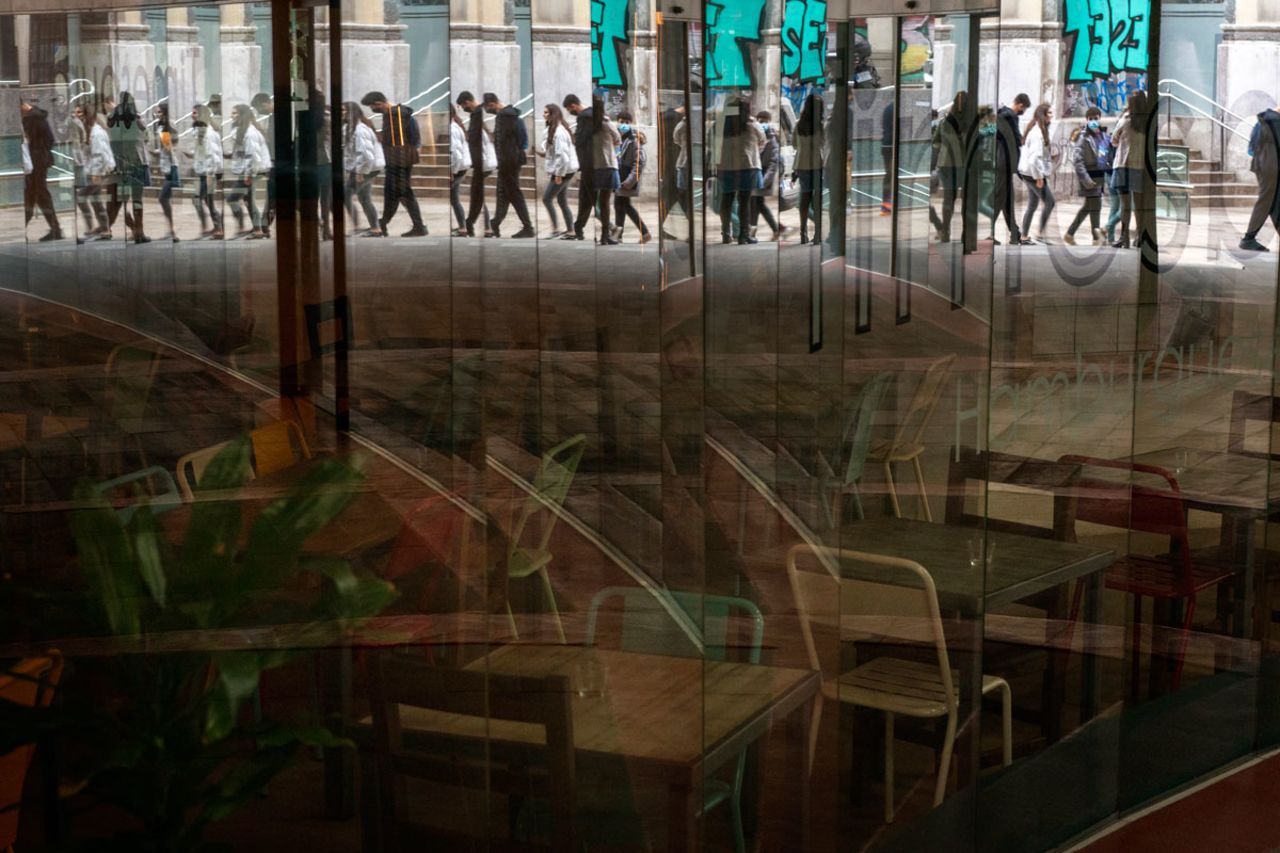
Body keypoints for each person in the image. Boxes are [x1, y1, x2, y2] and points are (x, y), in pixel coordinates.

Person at [361, 90, 426, 237]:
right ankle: (383, 224)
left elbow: (393, 140)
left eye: (372, 107)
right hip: (401, 159)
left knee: (402, 193)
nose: (373, 110)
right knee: (393, 193)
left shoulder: (394, 115)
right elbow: (415, 135)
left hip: (397, 160)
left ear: (379, 103)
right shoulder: (401, 113)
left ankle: (418, 226)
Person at [483, 92, 534, 239]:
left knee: (513, 194)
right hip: (513, 160)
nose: (489, 111)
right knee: (504, 193)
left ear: (492, 104)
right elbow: (523, 139)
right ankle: (495, 224)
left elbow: (503, 141)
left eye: (488, 108)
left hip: (507, 162)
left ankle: (528, 227)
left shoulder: (503, 117)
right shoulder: (515, 116)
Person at [718, 95, 765, 245]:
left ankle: (725, 234)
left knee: (727, 200)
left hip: (726, 166)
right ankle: (743, 236)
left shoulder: (720, 125)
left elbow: (711, 142)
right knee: (744, 202)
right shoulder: (753, 125)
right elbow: (762, 141)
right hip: (748, 166)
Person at [107, 92, 150, 243]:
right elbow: (146, 137)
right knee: (137, 200)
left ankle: (131, 228)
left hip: (121, 165)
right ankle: (139, 231)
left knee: (122, 201)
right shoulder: (139, 120)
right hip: (138, 163)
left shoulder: (112, 121)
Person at [20, 96, 63, 241]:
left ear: (23, 107)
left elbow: (45, 140)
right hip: (39, 162)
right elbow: (50, 140)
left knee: (36, 195)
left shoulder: (32, 120)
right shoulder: (38, 117)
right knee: (34, 196)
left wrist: (37, 152)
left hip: (35, 163)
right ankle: (55, 229)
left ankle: (55, 229)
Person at [226, 103, 272, 239]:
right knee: (248, 199)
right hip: (252, 169)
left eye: (234, 113)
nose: (231, 116)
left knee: (232, 199)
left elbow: (253, 155)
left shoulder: (250, 132)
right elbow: (244, 152)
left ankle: (246, 228)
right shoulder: (242, 130)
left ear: (242, 115)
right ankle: (258, 230)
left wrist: (248, 174)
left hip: (254, 170)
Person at [1063, 107, 1107, 245]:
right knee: (1093, 206)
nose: (1094, 121)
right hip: (1089, 177)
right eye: (1091, 119)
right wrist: (1087, 180)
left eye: (1096, 118)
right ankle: (1093, 238)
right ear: (1087, 120)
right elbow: (1078, 162)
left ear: (1100, 118)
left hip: (1098, 176)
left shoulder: (1101, 135)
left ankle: (1072, 234)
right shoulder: (1083, 138)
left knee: (1091, 206)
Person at [1240, 102, 1280, 251]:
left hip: (1262, 165)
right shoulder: (1276, 122)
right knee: (1267, 201)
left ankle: (1249, 238)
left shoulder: (1261, 120)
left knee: (1275, 202)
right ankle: (1248, 238)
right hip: (1272, 168)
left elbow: (1251, 148)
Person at [931, 91, 969, 243]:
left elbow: (936, 143)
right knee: (968, 200)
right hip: (964, 165)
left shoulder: (945, 121)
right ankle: (966, 234)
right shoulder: (971, 122)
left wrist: (935, 162)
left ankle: (945, 232)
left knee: (949, 199)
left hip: (947, 164)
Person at [342, 101, 384, 237]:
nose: (341, 113)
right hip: (367, 168)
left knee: (345, 194)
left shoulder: (360, 130)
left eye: (344, 111)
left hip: (366, 168)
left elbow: (366, 154)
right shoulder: (351, 127)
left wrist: (360, 172)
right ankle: (375, 229)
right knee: (365, 198)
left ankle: (358, 226)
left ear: (351, 113)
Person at [74, 102, 113, 242]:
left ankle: (94, 228)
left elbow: (100, 154)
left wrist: (96, 174)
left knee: (81, 196)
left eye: (80, 113)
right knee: (97, 202)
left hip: (98, 172)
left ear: (87, 115)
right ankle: (105, 230)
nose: (78, 116)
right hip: (95, 171)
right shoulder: (92, 131)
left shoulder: (96, 133)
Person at [1017, 102, 1055, 243]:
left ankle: (1024, 236)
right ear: (1043, 115)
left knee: (1032, 204)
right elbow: (1034, 159)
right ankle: (1039, 234)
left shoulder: (1037, 129)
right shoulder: (1037, 133)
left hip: (1028, 173)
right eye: (1049, 113)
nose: (1052, 115)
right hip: (1033, 174)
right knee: (1050, 202)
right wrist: (1039, 177)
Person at [459, 91, 495, 237]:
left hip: (482, 162)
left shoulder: (478, 112)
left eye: (463, 105)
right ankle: (479, 226)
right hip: (481, 162)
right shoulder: (477, 114)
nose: (463, 109)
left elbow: (476, 139)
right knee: (477, 196)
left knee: (477, 196)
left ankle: (472, 224)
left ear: (468, 102)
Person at [995, 93, 1030, 243]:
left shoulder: (1001, 114)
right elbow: (1017, 138)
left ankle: (1014, 233)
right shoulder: (1011, 116)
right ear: (1020, 105)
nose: (1023, 112)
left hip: (1000, 160)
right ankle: (989, 233)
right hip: (1006, 162)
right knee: (998, 197)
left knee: (1008, 199)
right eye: (1024, 109)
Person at [539, 103, 577, 237]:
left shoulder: (559, 132)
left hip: (563, 171)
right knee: (562, 201)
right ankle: (571, 231)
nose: (543, 115)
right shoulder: (554, 129)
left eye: (546, 112)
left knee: (546, 198)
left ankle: (556, 230)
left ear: (553, 114)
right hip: (564, 170)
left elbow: (563, 157)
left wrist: (559, 175)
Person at [612, 110, 650, 243]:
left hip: (626, 179)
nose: (623, 125)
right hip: (620, 178)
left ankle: (642, 233)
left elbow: (639, 163)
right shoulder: (619, 137)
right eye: (621, 122)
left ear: (631, 123)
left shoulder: (633, 140)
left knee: (622, 205)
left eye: (626, 122)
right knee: (621, 205)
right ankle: (621, 235)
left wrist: (629, 181)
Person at [562, 93, 595, 241]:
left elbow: (581, 140)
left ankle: (610, 227)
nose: (570, 112)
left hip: (588, 163)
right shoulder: (591, 114)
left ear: (573, 106)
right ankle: (578, 228)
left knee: (588, 197)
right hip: (592, 163)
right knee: (588, 197)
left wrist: (570, 134)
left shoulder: (584, 117)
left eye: (569, 109)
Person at [590, 97, 623, 245]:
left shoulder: (588, 125)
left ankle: (602, 233)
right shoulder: (606, 123)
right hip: (609, 165)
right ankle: (605, 235)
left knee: (594, 202)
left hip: (595, 167)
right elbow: (618, 140)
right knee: (605, 203)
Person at [793, 93, 825, 244]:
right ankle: (818, 234)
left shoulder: (799, 124)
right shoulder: (820, 125)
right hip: (817, 163)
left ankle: (802, 233)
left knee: (804, 199)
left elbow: (794, 144)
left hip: (802, 164)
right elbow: (824, 143)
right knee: (817, 200)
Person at [189, 103, 224, 239]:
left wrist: (210, 174)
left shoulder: (209, 133)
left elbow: (212, 154)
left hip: (209, 173)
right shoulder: (200, 131)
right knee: (207, 200)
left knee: (201, 199)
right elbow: (203, 151)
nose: (192, 115)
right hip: (205, 172)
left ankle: (217, 228)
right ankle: (215, 228)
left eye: (195, 113)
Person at [149, 104, 181, 241]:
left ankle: (173, 231)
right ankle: (171, 230)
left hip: (171, 166)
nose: (157, 114)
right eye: (156, 112)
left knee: (163, 198)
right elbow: (167, 146)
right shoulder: (162, 126)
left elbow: (169, 145)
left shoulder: (167, 126)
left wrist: (164, 148)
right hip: (167, 164)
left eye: (159, 112)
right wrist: (158, 151)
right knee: (165, 199)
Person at [751, 110, 784, 240]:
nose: (761, 123)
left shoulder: (771, 138)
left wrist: (764, 181)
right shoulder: (757, 134)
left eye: (763, 120)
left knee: (755, 202)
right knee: (758, 203)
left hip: (761, 175)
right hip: (756, 173)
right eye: (759, 120)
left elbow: (773, 162)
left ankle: (752, 229)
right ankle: (775, 228)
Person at [1107, 100, 1134, 248]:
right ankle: (1138, 238)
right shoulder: (1145, 122)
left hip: (1123, 165)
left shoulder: (1125, 120)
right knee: (1138, 205)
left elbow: (1114, 140)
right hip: (1138, 167)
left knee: (1124, 204)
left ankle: (1125, 237)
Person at [251, 93, 276, 235]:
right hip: (274, 161)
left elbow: (271, 140)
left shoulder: (277, 117)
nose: (259, 112)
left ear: (265, 103)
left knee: (272, 195)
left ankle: (263, 225)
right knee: (271, 196)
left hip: (277, 161)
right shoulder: (272, 117)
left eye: (259, 109)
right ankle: (264, 225)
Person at [448, 103, 472, 235]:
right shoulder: (457, 126)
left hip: (457, 168)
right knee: (454, 198)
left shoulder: (452, 129)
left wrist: (452, 172)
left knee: (454, 199)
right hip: (461, 166)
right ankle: (462, 227)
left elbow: (455, 154)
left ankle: (463, 227)